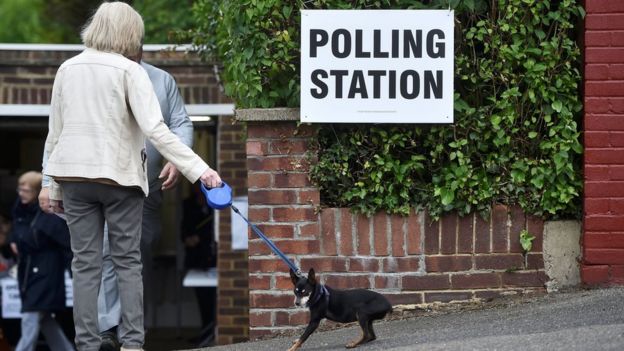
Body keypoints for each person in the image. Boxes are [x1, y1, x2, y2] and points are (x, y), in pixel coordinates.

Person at [38, 2, 222, 351]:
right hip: (121, 181)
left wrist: (50, 184)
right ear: (130, 34)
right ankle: (133, 344)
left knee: (85, 265)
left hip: (74, 180)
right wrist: (200, 170)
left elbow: (55, 132)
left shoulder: (67, 68)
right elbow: (156, 130)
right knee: (127, 263)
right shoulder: (130, 70)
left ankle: (87, 344)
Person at [97, 48, 194, 351]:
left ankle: (129, 327)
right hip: (105, 183)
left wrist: (177, 160)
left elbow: (181, 123)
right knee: (108, 250)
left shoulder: (161, 80)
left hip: (148, 190)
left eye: (136, 45)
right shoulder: (96, 76)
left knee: (138, 256)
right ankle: (109, 328)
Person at [10, 171, 74, 351]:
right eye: (20, 189)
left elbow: (67, 244)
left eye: (27, 190)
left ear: (38, 192)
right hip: (28, 271)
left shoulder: (49, 215)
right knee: (44, 318)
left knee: (31, 316)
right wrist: (14, 242)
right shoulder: (20, 210)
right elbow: (18, 232)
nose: (22, 194)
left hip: (47, 272)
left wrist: (73, 271)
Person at [181, 183, 217, 347]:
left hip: (213, 257)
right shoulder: (188, 205)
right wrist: (188, 238)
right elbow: (184, 229)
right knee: (202, 300)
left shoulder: (215, 204)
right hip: (196, 258)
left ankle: (210, 333)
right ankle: (205, 332)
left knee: (214, 299)